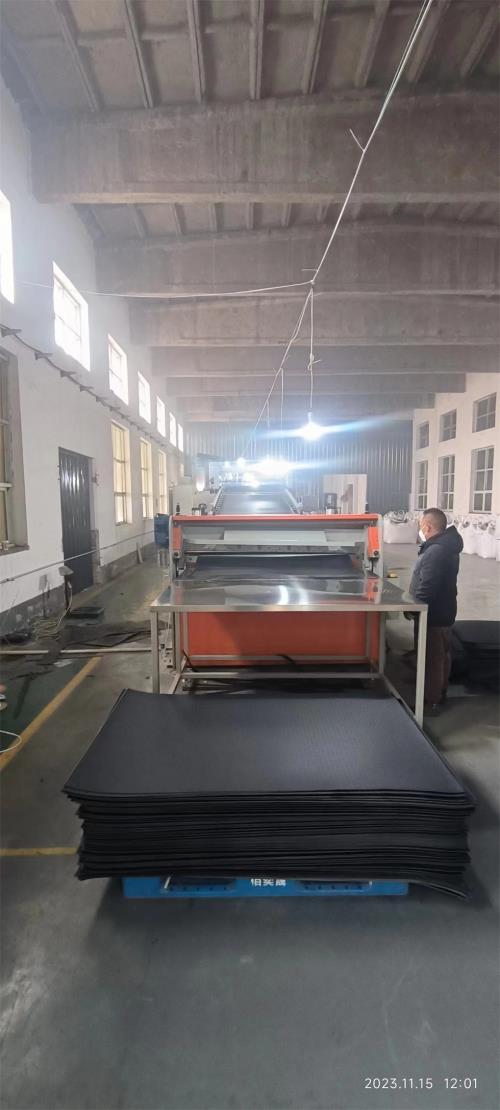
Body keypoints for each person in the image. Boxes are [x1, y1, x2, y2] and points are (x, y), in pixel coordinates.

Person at [408, 507, 463, 712]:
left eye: (421, 526)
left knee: (432, 658)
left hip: (433, 613)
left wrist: (415, 608)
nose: (420, 530)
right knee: (441, 655)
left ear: (428, 527)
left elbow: (428, 586)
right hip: (444, 610)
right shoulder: (445, 546)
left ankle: (430, 700)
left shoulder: (436, 551)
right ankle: (439, 692)